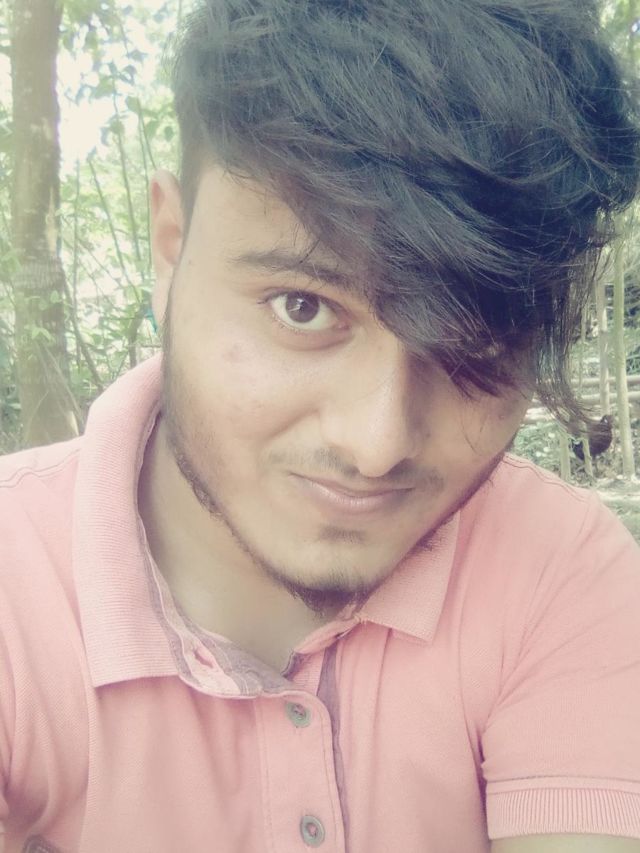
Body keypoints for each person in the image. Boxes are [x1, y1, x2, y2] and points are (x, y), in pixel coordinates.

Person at [2, 0, 640, 850]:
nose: (376, 445)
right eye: (302, 307)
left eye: (478, 339)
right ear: (171, 245)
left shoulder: (559, 566)